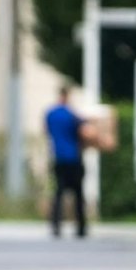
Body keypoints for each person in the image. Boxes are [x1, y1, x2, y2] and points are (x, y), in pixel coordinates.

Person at [45, 88, 88, 238]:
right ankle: (81, 228)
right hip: (73, 158)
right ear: (67, 96)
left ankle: (56, 227)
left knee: (58, 194)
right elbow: (83, 132)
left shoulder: (50, 114)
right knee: (78, 194)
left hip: (58, 158)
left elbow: (47, 132)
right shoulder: (72, 115)